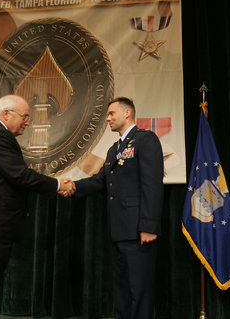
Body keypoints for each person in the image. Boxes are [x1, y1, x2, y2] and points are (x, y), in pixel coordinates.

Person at [0, 94, 74, 319]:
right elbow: (20, 175)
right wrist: (58, 184)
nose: (28, 122)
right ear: (6, 114)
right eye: (25, 116)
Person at [64, 97, 164, 319]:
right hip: (118, 230)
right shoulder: (113, 150)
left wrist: (149, 226)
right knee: (121, 289)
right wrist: (72, 187)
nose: (107, 118)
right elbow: (100, 181)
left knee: (140, 290)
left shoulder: (145, 140)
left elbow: (152, 185)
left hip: (139, 230)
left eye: (111, 113)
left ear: (127, 113)